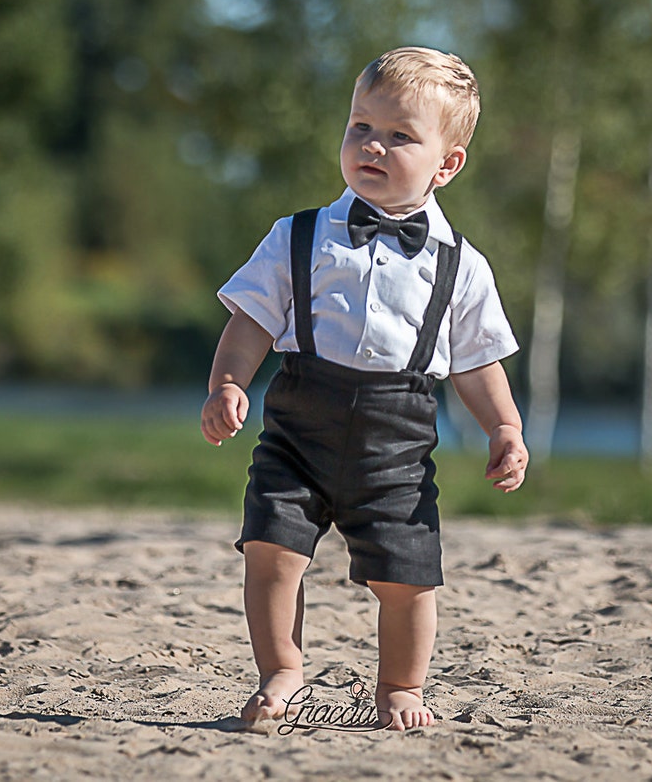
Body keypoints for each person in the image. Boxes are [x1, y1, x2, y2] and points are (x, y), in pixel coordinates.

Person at [201, 47, 529, 731]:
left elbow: (476, 361)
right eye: (360, 127)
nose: (372, 145)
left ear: (447, 165)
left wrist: (505, 428)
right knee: (270, 549)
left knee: (408, 578)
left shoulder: (461, 265)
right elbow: (251, 322)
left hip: (397, 441)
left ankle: (402, 687)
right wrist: (229, 383)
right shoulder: (297, 236)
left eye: (401, 135)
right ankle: (282, 669)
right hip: (298, 426)